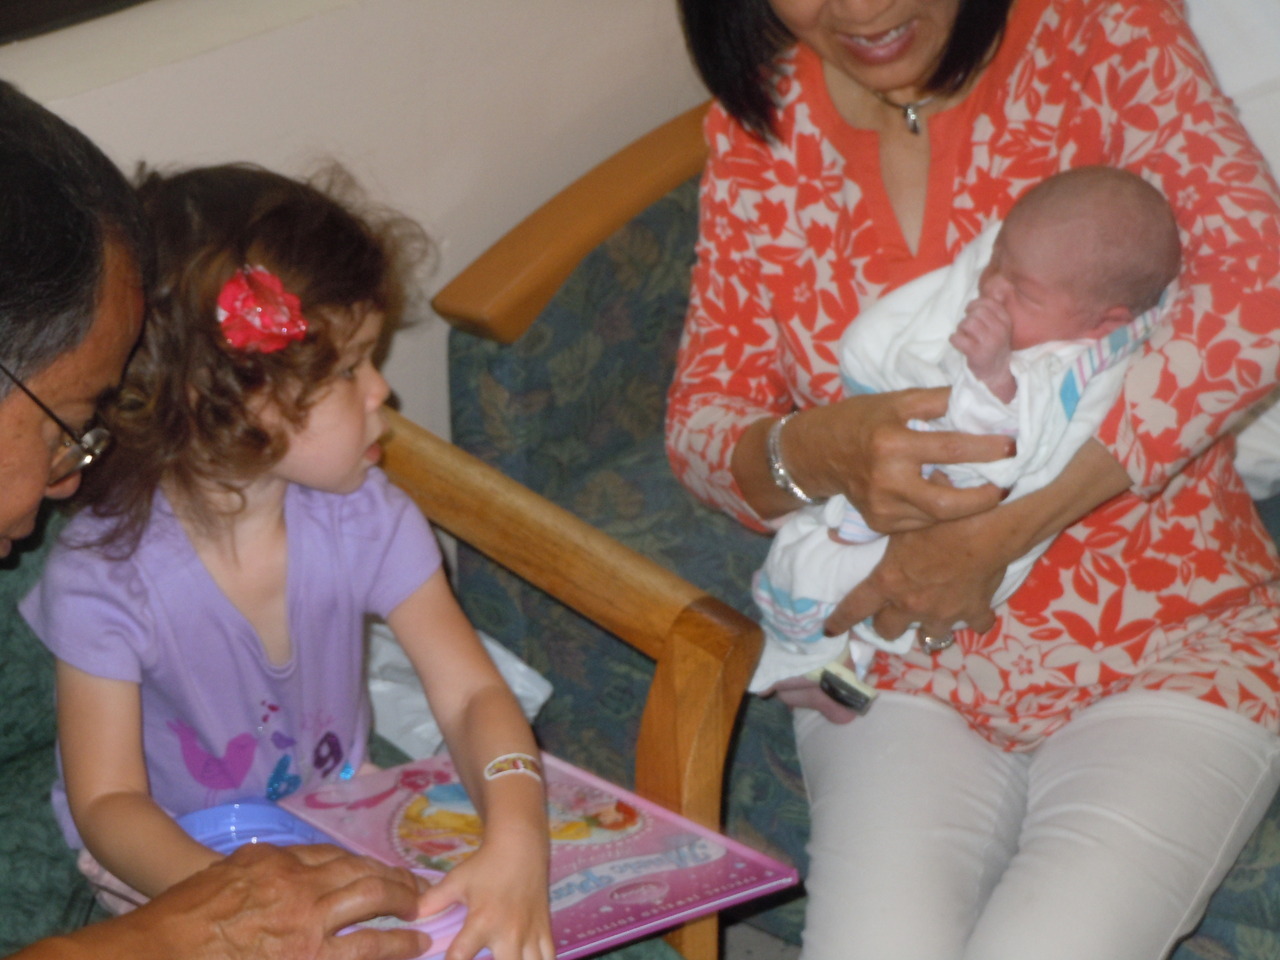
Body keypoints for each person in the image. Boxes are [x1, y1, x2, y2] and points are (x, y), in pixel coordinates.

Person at [667, 0, 1280, 957]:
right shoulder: (759, 126)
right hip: (893, 659)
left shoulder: (1100, 31)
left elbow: (1260, 290)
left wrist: (1000, 535)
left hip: (1170, 640)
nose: (861, 7)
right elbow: (704, 421)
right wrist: (821, 449)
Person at [18, 162, 553, 960]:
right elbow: (109, 803)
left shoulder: (367, 517)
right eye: (349, 368)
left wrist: (518, 841)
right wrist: (247, 910)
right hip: (170, 872)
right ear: (228, 399)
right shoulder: (104, 575)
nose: (381, 392)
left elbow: (473, 693)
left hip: (334, 821)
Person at [751, 165, 1181, 717]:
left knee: (832, 571)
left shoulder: (1074, 365)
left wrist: (990, 378)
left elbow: (1014, 449)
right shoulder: (1044, 288)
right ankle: (820, 656)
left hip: (981, 524)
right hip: (907, 489)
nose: (992, 287)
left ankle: (823, 655)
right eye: (996, 262)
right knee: (821, 551)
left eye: (1021, 291)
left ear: (1103, 323)